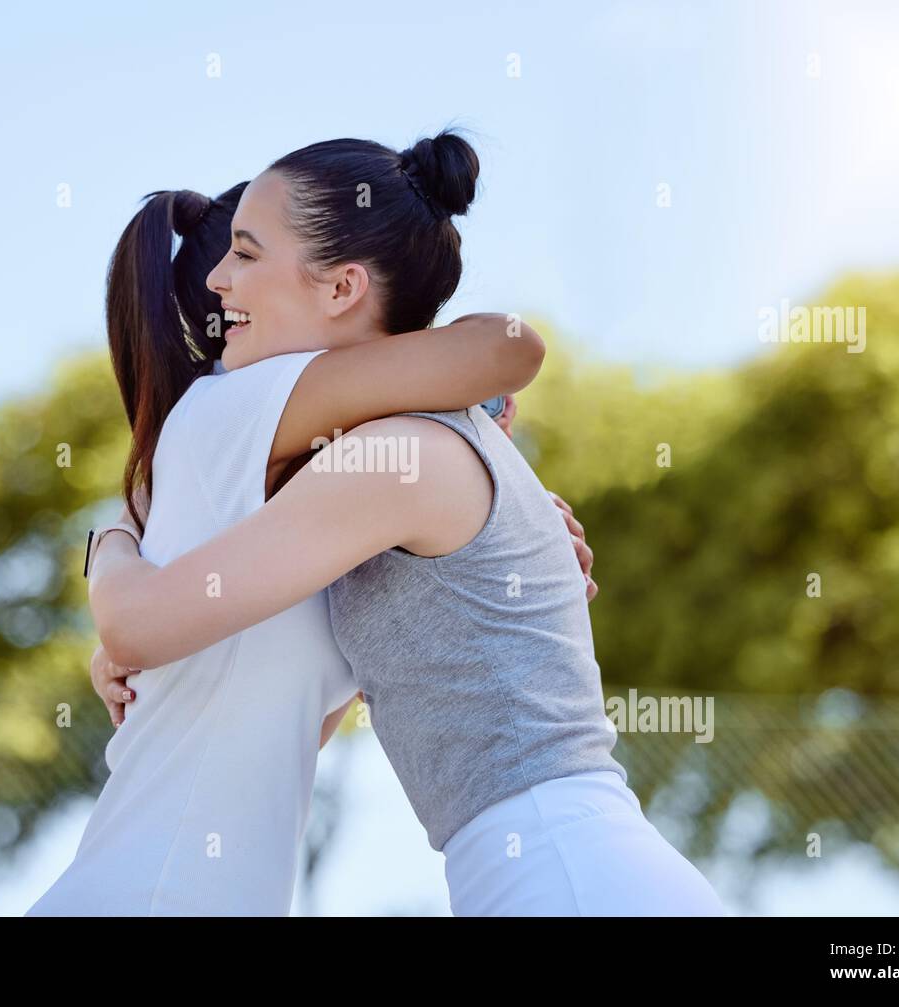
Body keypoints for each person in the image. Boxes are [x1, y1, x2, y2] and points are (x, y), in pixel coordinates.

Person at [86, 131, 727, 915]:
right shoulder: (389, 461)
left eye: (248, 256)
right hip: (555, 865)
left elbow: (508, 345)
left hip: (558, 869)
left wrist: (115, 535)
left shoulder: (392, 457)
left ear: (343, 286)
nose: (222, 281)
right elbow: (289, 709)